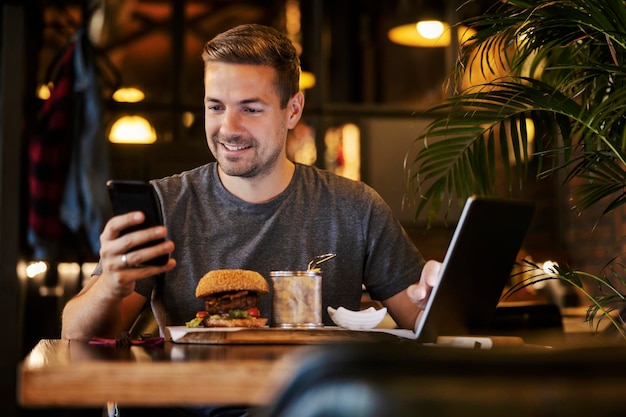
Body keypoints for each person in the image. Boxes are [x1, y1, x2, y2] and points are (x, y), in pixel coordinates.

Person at [61, 23, 442, 414]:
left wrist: (434, 297)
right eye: (215, 107)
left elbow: (425, 322)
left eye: (250, 108)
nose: (228, 128)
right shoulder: (166, 204)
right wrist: (110, 282)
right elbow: (76, 338)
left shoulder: (354, 207)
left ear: (292, 110)